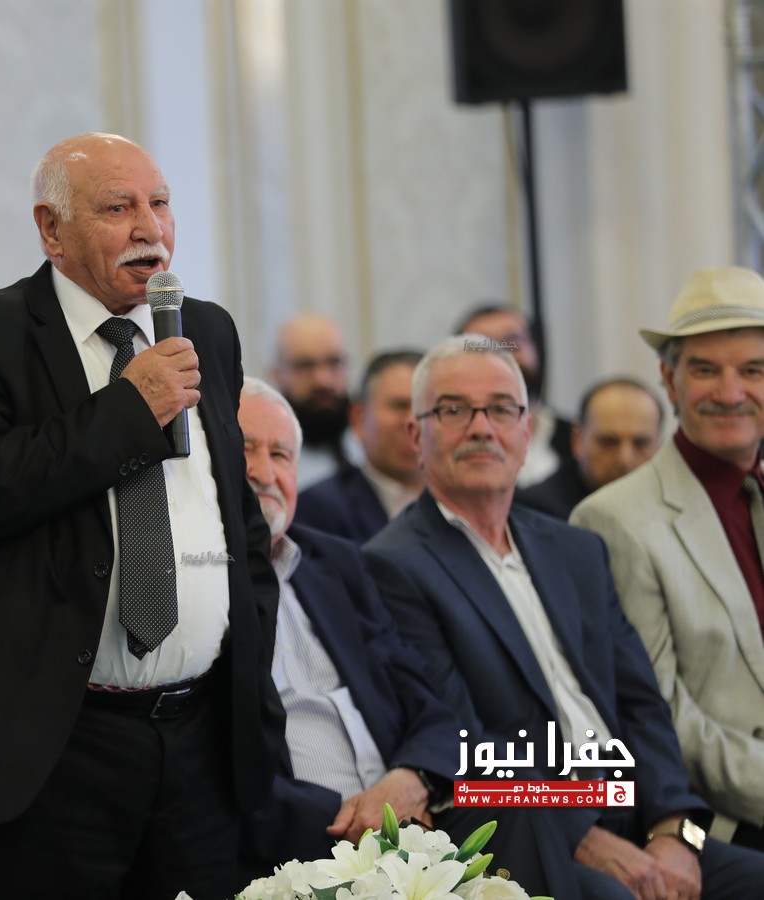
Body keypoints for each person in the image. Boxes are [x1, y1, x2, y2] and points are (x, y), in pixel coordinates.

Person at [0, 132, 282, 899]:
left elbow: (237, 518)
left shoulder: (206, 329)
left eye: (161, 203)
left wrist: (247, 650)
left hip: (202, 743)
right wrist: (130, 410)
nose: (151, 228)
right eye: (118, 208)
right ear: (52, 230)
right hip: (52, 753)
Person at [364, 335, 764, 899]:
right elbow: (461, 739)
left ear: (527, 432)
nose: (482, 428)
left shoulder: (575, 548)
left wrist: (675, 828)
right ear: (416, 435)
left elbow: (641, 703)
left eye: (501, 409)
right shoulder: (394, 563)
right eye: (453, 410)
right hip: (531, 829)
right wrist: (584, 837)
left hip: (634, 810)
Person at [236, 376, 571, 894]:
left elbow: (428, 706)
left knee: (518, 793)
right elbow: (223, 769)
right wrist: (362, 819)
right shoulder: (194, 584)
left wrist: (413, 779)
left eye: (280, 455)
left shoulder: (337, 564)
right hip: (313, 838)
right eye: (245, 450)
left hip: (409, 815)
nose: (264, 472)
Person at [572, 266, 764, 849]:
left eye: (753, 370)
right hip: (716, 823)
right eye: (705, 370)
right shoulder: (613, 519)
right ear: (669, 380)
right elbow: (660, 716)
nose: (730, 393)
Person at [295, 350, 423, 543]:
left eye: (422, 408)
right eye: (399, 406)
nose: (412, 422)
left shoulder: (460, 500)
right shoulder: (317, 509)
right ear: (358, 417)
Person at [455, 304, 573, 487]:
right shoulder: (449, 443)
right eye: (482, 346)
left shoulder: (575, 439)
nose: (501, 355)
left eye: (513, 343)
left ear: (536, 350)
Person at [517, 377, 663, 520]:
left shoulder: (669, 505)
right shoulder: (536, 513)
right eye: (608, 443)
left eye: (641, 444)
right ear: (577, 440)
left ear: (660, 445)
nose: (625, 459)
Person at [271, 313, 361, 488]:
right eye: (305, 366)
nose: (323, 380)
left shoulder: (374, 452)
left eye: (334, 363)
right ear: (277, 374)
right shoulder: (267, 469)